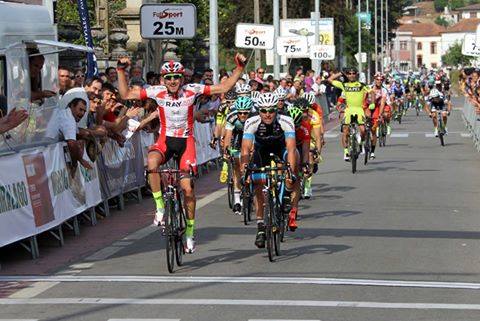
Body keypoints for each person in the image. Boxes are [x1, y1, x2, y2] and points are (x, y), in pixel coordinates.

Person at [117, 53, 247, 253]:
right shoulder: (156, 92)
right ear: (163, 80)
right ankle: (160, 207)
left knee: (187, 189)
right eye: (168, 78)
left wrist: (239, 67)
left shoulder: (192, 90)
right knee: (151, 164)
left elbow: (224, 88)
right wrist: (120, 71)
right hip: (165, 140)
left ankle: (189, 232)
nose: (172, 81)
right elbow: (125, 94)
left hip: (186, 142)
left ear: (182, 78)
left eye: (176, 77)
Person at [240, 93, 297, 248]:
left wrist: (290, 172)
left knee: (293, 161)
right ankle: (260, 227)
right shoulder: (252, 122)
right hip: (261, 151)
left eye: (271, 110)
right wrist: (244, 171)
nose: (267, 114)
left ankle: (285, 195)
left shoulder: (286, 120)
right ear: (258, 110)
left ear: (276, 110)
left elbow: (291, 149)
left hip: (281, 149)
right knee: (258, 185)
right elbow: (245, 150)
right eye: (264, 111)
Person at [328, 67, 369, 162]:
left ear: (356, 74)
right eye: (349, 73)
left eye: (353, 73)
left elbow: (371, 92)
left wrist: (371, 103)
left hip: (359, 110)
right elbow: (330, 79)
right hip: (349, 110)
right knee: (345, 130)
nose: (351, 75)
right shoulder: (344, 84)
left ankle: (361, 144)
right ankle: (346, 152)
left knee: (363, 130)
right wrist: (340, 73)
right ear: (347, 75)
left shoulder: (362, 85)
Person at [223, 96, 255, 215]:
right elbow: (228, 136)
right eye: (240, 113)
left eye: (245, 113)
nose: (242, 115)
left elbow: (256, 139)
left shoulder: (254, 117)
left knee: (252, 158)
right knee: (237, 164)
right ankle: (237, 199)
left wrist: (252, 152)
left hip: (251, 134)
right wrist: (226, 151)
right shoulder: (231, 116)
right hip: (238, 135)